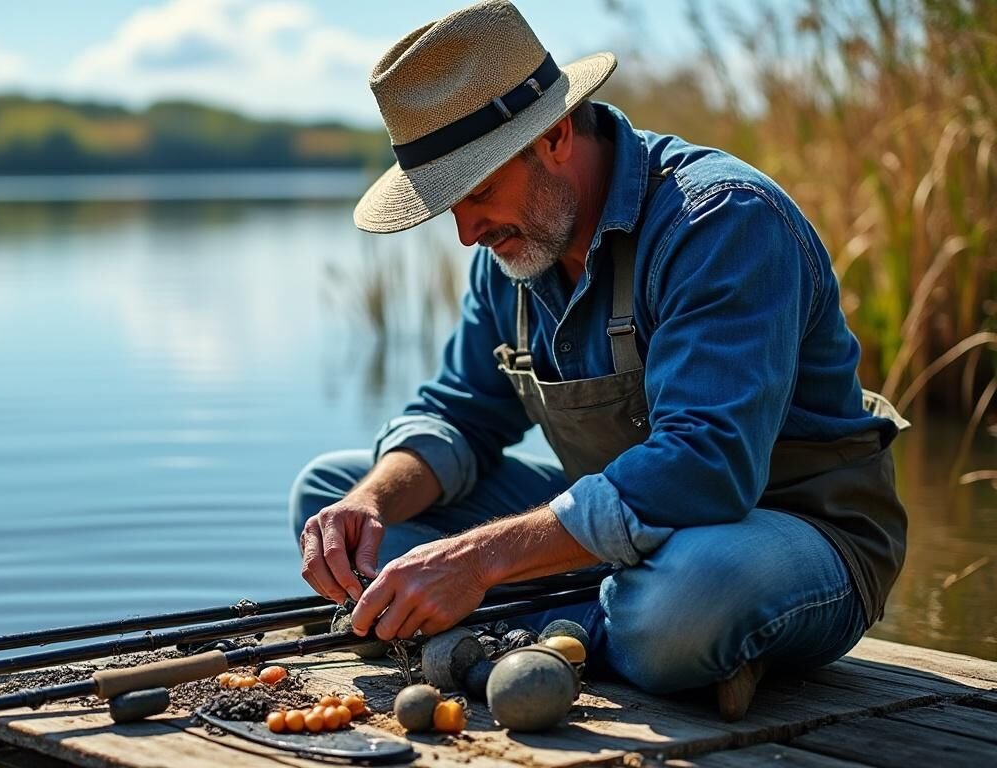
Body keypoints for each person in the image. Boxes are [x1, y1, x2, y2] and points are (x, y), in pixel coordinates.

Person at [289, 0, 909, 721]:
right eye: (445, 204)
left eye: (477, 191)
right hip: (623, 540)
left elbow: (707, 463)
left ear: (554, 136)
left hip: (790, 532)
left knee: (687, 600)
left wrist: (480, 560)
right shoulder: (514, 250)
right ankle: (612, 634)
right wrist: (370, 503)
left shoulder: (721, 220)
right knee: (331, 499)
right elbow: (460, 414)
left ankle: (576, 630)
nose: (465, 233)